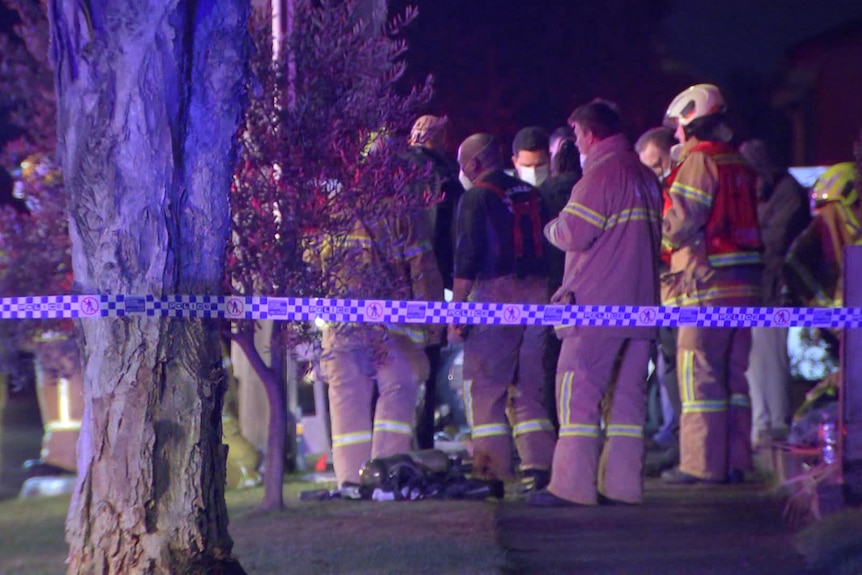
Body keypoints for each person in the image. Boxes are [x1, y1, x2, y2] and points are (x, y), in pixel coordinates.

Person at [528, 99, 662, 507]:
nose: (577, 144)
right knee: (627, 403)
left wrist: (548, 224)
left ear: (588, 134)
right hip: (642, 308)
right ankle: (622, 487)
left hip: (596, 309)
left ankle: (571, 488)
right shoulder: (645, 176)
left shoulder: (600, 176)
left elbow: (572, 233)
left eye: (577, 135)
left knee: (578, 395)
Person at [658, 84, 763, 485]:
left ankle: (700, 465)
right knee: (734, 382)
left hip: (705, 288)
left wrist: (657, 233)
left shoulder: (700, 163)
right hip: (744, 287)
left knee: (698, 378)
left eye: (679, 130)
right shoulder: (741, 163)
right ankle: (736, 462)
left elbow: (681, 224)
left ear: (691, 124)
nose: (677, 139)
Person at [316, 165, 444, 494]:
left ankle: (349, 482)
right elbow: (423, 271)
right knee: (398, 391)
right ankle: (386, 477)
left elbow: (315, 264)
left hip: (340, 325)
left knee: (346, 401)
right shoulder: (403, 214)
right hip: (391, 328)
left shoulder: (334, 212)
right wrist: (432, 325)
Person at [449, 133, 556, 494]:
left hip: (496, 298)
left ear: (475, 163)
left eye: (463, 163)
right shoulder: (532, 194)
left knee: (487, 389)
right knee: (529, 388)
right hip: (538, 297)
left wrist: (458, 309)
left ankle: (491, 472)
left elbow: (467, 257)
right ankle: (539, 466)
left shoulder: (476, 198)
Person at [739, 139, 811, 447]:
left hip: (774, 286)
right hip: (756, 285)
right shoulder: (768, 191)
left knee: (773, 356)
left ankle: (776, 424)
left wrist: (745, 240)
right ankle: (762, 424)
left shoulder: (787, 192)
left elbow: (776, 240)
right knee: (756, 360)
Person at [406, 114, 464, 450]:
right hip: (435, 281)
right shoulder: (446, 178)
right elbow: (457, 235)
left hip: (395, 288)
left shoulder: (395, 173)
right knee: (428, 365)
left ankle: (396, 443)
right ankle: (424, 438)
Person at [635, 126, 681, 469]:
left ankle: (679, 439)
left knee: (678, 370)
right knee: (667, 370)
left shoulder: (678, 188)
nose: (649, 173)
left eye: (653, 164)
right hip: (662, 292)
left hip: (677, 291)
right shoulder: (657, 191)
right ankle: (673, 433)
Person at [539, 138, 582, 430]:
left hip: (551, 285)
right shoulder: (590, 189)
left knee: (551, 360)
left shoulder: (542, 194)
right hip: (588, 284)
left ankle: (555, 423)